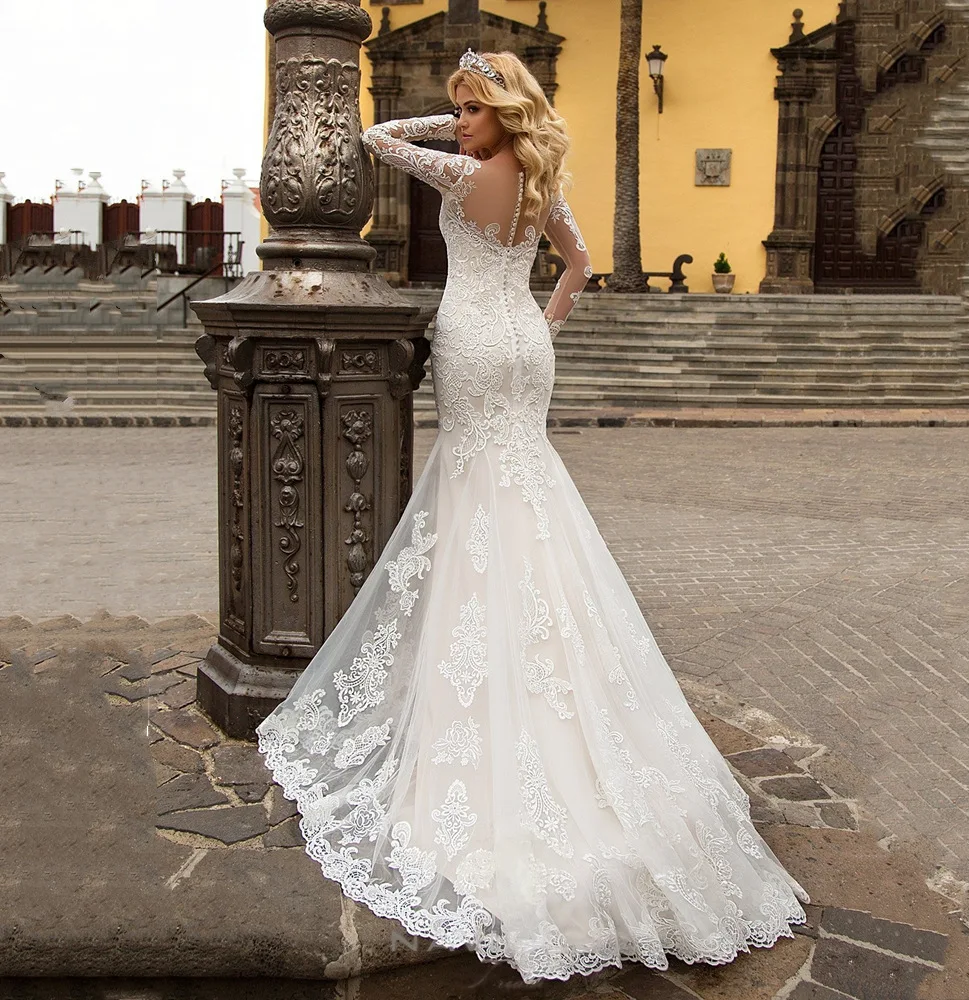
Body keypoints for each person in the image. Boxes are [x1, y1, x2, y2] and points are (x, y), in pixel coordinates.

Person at [257, 49, 808, 985]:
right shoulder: (539, 180)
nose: (458, 121)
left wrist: (442, 125)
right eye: (456, 111)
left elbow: (374, 136)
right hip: (520, 337)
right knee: (525, 491)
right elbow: (582, 265)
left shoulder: (464, 172)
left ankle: (480, 689)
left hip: (475, 339)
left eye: (470, 108)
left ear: (499, 118)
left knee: (476, 490)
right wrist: (543, 321)